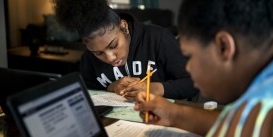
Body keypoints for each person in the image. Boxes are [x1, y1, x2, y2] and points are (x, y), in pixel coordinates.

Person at [134, 0, 273, 137]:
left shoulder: (265, 107)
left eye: (189, 56)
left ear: (223, 47)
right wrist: (174, 114)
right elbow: (243, 123)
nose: (187, 67)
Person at [52, 0, 198, 100]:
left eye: (113, 45)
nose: (110, 58)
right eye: (98, 53)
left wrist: (153, 88)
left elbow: (192, 84)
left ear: (124, 27)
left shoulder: (158, 39)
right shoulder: (88, 59)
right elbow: (86, 96)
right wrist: (111, 87)